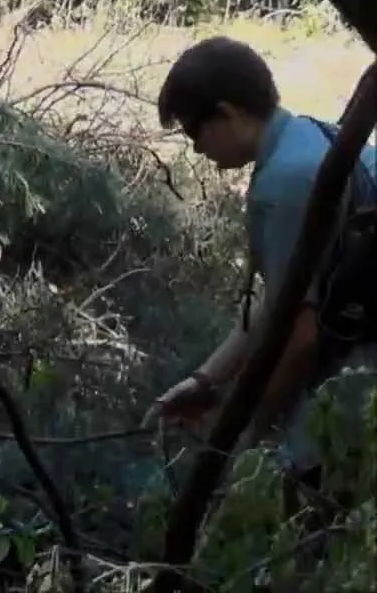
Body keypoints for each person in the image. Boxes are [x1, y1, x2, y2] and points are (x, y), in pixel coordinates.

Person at [141, 36, 377, 516]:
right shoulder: (308, 136)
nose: (196, 148)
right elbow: (280, 303)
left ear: (227, 114)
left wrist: (244, 430)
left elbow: (298, 337)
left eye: (192, 131)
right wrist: (206, 380)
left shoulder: (285, 182)